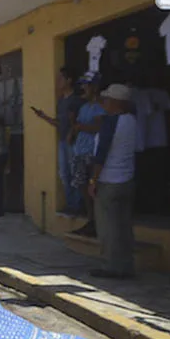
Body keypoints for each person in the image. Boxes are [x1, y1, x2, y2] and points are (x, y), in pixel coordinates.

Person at [89, 84, 137, 279]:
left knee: (108, 227)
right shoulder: (132, 121)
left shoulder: (111, 122)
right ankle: (126, 265)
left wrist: (93, 180)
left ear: (116, 102)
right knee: (124, 226)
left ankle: (111, 266)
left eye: (107, 100)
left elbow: (102, 153)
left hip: (109, 179)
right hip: (127, 178)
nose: (104, 103)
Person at [31, 68, 85, 217]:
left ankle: (79, 205)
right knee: (64, 173)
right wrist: (44, 117)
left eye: (61, 78)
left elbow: (79, 122)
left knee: (75, 173)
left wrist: (71, 133)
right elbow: (60, 123)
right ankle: (71, 204)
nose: (58, 81)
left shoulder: (76, 100)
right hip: (62, 141)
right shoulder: (61, 101)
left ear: (69, 80)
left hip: (73, 142)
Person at [70, 74, 107, 236]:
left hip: (92, 152)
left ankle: (98, 222)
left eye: (86, 84)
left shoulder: (101, 107)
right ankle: (91, 220)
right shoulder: (84, 107)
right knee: (83, 188)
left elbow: (100, 127)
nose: (83, 88)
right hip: (80, 152)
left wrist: (80, 127)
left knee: (93, 189)